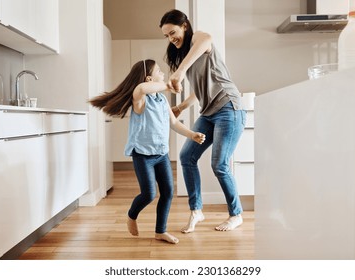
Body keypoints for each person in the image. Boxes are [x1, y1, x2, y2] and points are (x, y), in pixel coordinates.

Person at [89, 59, 205, 244]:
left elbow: (173, 123)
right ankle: (132, 215)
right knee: (149, 194)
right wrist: (167, 85)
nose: (163, 74)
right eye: (159, 71)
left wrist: (192, 135)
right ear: (149, 78)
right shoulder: (140, 99)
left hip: (161, 154)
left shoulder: (162, 99)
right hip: (142, 155)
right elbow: (141, 89)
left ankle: (160, 231)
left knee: (167, 192)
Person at [159, 9, 246, 233]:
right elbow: (200, 90)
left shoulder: (199, 38)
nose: (171, 38)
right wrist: (180, 106)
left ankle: (236, 214)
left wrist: (179, 72)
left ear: (184, 26)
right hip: (208, 112)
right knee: (186, 156)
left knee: (219, 164)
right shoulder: (187, 53)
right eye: (167, 36)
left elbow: (207, 39)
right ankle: (196, 210)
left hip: (228, 107)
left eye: (173, 32)